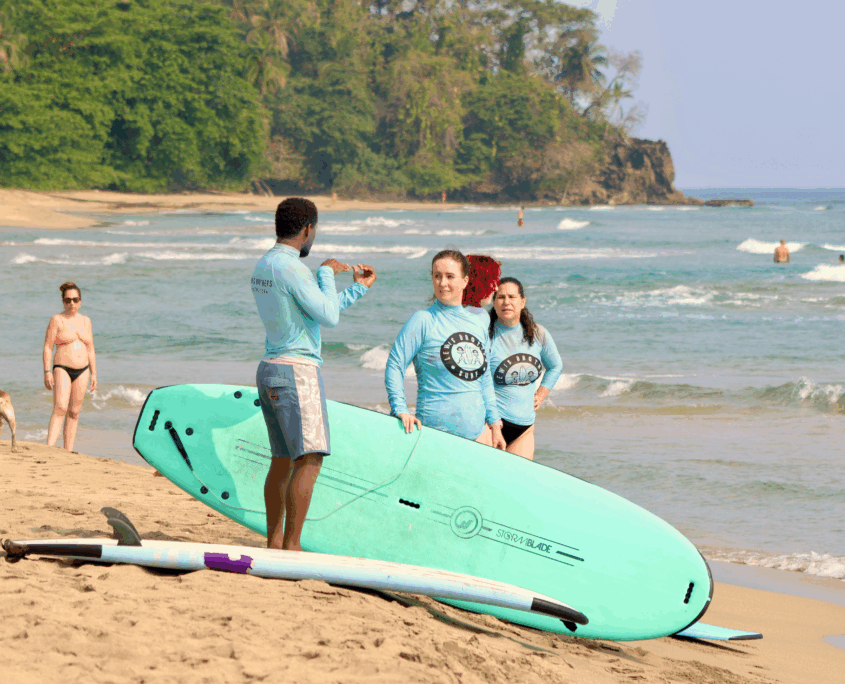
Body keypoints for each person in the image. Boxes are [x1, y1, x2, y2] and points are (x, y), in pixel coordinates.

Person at [252, 197, 377, 551]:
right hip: (297, 372)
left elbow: (316, 312)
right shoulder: (293, 269)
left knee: (281, 460)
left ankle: (275, 542)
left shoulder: (264, 265)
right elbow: (329, 316)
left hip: (270, 368)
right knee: (310, 459)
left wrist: (358, 288)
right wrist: (326, 273)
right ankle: (292, 547)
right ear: (308, 230)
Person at [385, 249, 505, 449]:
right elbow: (395, 365)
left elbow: (484, 378)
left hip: (477, 436)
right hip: (433, 435)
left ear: (465, 281)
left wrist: (495, 424)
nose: (442, 283)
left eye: (450, 276)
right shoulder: (422, 320)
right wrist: (400, 409)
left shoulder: (479, 322)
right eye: (437, 276)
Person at [489, 277, 562, 460]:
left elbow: (555, 366)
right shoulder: (486, 334)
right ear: (494, 302)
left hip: (525, 428)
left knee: (516, 477)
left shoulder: (537, 333)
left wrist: (542, 393)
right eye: (501, 297)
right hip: (491, 424)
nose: (506, 302)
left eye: (512, 297)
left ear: (522, 301)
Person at [43, 281, 97, 452]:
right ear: (63, 301)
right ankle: (49, 448)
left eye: (75, 300)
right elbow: (47, 347)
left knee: (74, 412)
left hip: (83, 370)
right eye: (68, 300)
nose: (71, 303)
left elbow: (90, 349)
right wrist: (47, 371)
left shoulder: (86, 321)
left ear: (80, 301)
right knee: (60, 407)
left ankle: (68, 451)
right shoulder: (57, 320)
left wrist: (94, 373)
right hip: (62, 367)